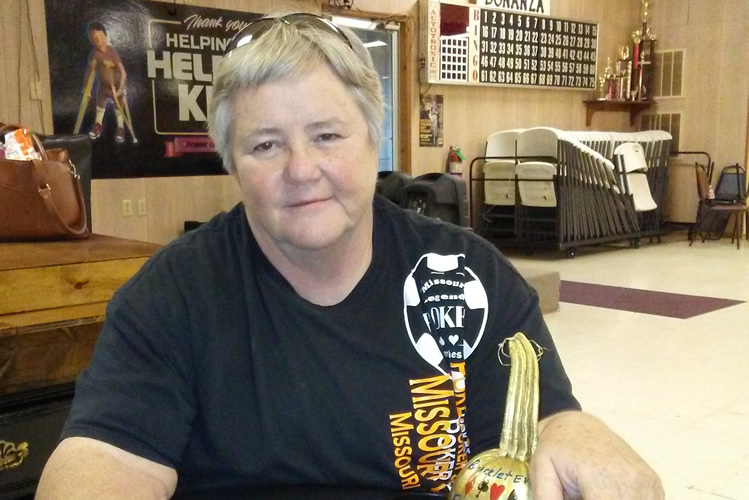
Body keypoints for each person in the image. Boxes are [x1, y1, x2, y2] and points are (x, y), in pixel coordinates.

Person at [36, 13, 664, 500]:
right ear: (231, 163)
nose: (301, 169)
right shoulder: (173, 295)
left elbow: (544, 424)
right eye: (265, 145)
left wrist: (574, 432)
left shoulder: (470, 277)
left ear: (373, 137)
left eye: (327, 135)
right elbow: (106, 457)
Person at [83, 21, 129, 143]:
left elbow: (123, 72)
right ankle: (98, 126)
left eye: (101, 37)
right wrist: (87, 89)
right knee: (100, 105)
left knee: (119, 107)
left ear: (106, 35)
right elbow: (89, 73)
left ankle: (120, 128)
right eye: (94, 39)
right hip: (103, 87)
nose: (98, 41)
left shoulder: (112, 51)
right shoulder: (94, 55)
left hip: (116, 86)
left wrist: (121, 88)